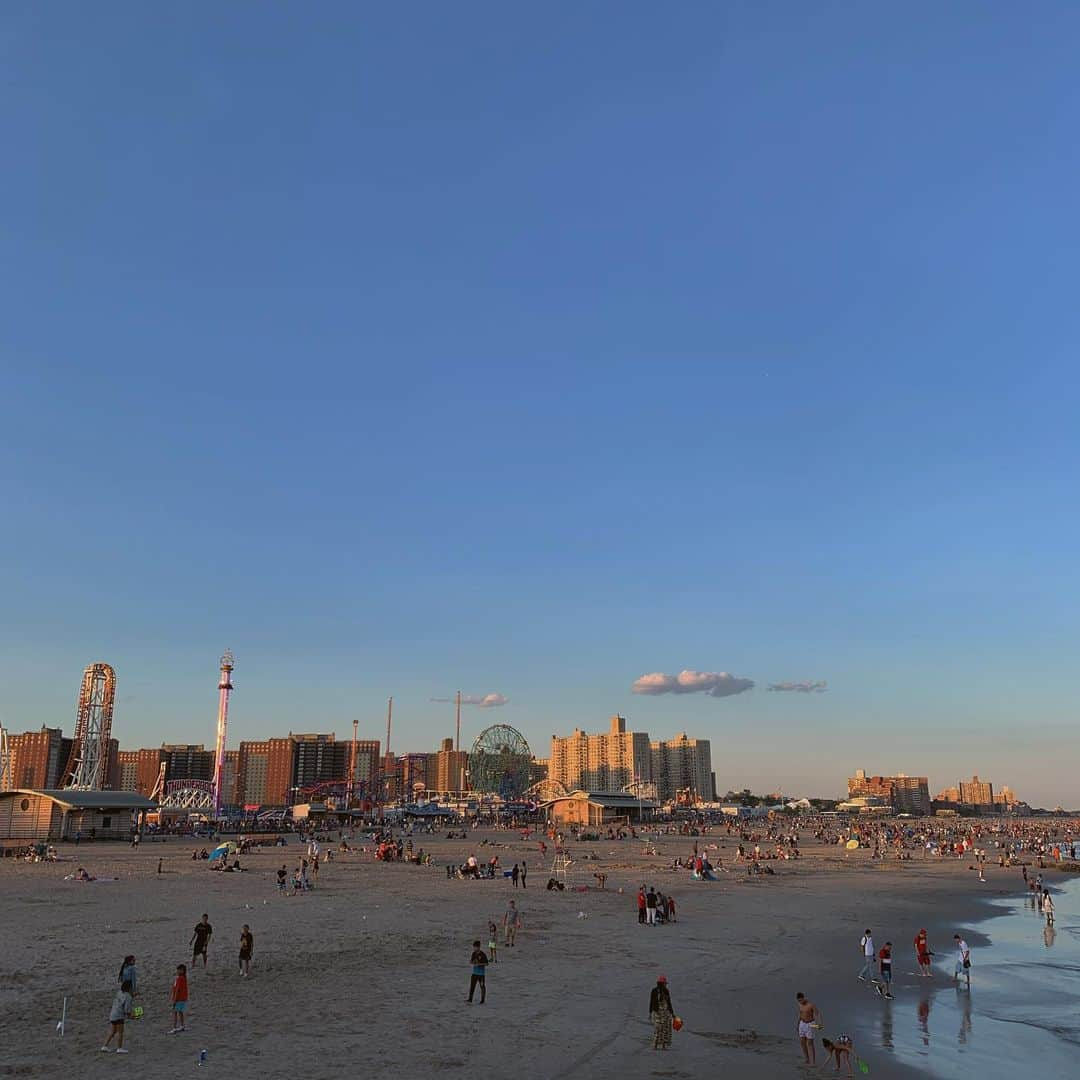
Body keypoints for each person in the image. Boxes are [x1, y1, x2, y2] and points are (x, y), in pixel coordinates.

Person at [102, 979, 134, 1053]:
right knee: (120, 1032)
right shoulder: (128, 996)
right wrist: (132, 1016)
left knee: (113, 1031)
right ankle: (119, 1048)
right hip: (119, 1016)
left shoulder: (119, 992)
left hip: (113, 1014)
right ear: (129, 988)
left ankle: (105, 1046)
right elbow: (127, 1009)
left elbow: (121, 1001)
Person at [649, 976, 675, 1050]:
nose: (665, 985)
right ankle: (656, 1045)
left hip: (666, 1012)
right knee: (658, 1028)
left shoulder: (666, 991)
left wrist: (672, 1013)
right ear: (661, 983)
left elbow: (669, 1002)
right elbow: (651, 1002)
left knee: (665, 1028)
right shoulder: (654, 991)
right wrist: (650, 1012)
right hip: (658, 1012)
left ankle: (663, 1045)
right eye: (664, 983)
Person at [796, 992, 822, 1065]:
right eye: (799, 1001)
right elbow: (800, 1014)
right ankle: (807, 1059)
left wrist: (820, 1023)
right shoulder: (799, 1004)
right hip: (802, 1023)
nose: (800, 1002)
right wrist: (798, 1024)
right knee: (802, 1042)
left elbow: (817, 1013)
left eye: (801, 1000)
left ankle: (813, 1062)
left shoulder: (811, 1005)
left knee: (810, 1043)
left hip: (810, 1024)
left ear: (804, 998)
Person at [169, 964, 188, 1033]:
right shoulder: (183, 978)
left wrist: (174, 1000)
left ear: (182, 971)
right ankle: (182, 1025)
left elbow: (177, 989)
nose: (177, 971)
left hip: (179, 999)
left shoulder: (179, 978)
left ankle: (174, 1027)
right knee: (180, 1012)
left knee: (175, 1013)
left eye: (179, 970)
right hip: (182, 998)